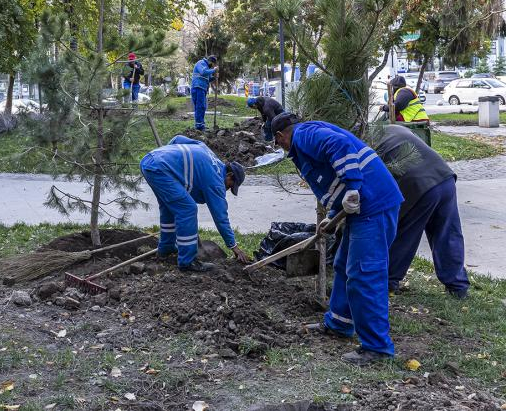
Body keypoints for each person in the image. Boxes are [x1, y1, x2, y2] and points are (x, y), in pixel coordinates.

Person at [270, 112, 404, 366]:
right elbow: (332, 181)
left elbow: (338, 145)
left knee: (365, 273)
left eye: (277, 143)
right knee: (343, 266)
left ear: (280, 135)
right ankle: (339, 324)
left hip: (373, 204)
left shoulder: (304, 134)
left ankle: (377, 348)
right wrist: (331, 216)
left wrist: (353, 186)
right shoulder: (304, 140)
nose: (281, 148)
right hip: (360, 208)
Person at [374, 124, 469, 298]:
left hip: (419, 186)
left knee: (404, 234)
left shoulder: (366, 144)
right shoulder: (394, 128)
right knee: (448, 233)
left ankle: (388, 281)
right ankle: (458, 286)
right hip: (444, 177)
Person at [140, 135, 252, 272]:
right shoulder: (216, 182)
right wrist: (234, 247)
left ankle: (166, 248)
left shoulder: (209, 153)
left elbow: (177, 139)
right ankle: (187, 262)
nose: (227, 189)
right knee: (187, 209)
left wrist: (166, 155)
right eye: (230, 186)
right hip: (160, 169)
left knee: (169, 207)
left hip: (151, 160)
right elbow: (221, 218)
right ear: (229, 176)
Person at [192, 55, 218, 131]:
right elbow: (203, 72)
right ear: (210, 61)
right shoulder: (201, 63)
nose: (213, 67)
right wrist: (214, 70)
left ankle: (201, 124)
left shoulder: (207, 67)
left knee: (203, 106)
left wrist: (215, 77)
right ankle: (199, 126)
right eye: (213, 65)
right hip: (197, 87)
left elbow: (208, 78)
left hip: (203, 88)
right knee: (199, 106)